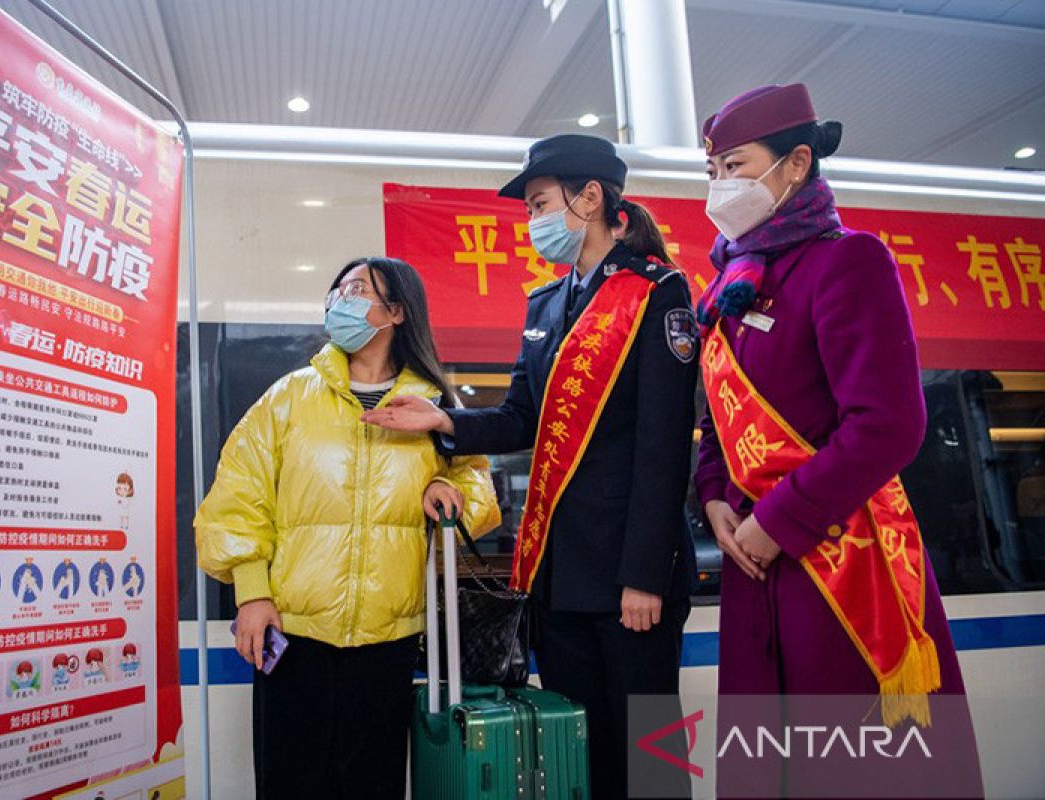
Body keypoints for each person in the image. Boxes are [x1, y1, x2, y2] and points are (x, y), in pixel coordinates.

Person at [362, 135, 698, 800]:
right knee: (578, 754)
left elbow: (664, 447)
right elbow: (522, 417)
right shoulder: (546, 303)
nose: (533, 221)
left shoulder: (658, 293)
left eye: (541, 203)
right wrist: (444, 420)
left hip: (633, 582)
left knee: (651, 764)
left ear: (590, 197)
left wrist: (642, 576)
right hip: (560, 579)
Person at [695, 83, 981, 797]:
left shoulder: (847, 261)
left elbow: (888, 424)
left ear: (795, 163)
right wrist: (713, 500)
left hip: (838, 559)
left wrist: (777, 522)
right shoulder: (734, 281)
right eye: (713, 171)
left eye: (735, 165)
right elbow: (716, 421)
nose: (720, 185)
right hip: (751, 561)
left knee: (852, 769)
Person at [194, 256, 500, 800]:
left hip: (390, 640)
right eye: (337, 290)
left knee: (371, 786)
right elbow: (239, 496)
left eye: (357, 289)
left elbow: (477, 488)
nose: (341, 300)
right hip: (292, 634)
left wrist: (447, 493)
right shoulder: (289, 398)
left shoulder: (429, 406)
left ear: (397, 312)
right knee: (290, 785)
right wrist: (251, 592)